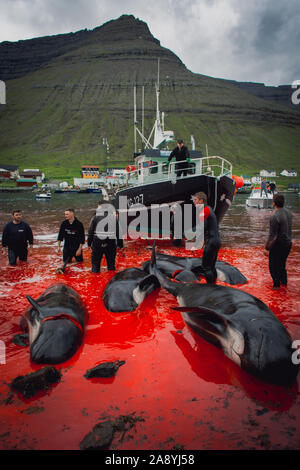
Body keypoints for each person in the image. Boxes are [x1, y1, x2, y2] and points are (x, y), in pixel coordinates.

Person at [264, 193, 292, 289]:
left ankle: (276, 285)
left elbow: (273, 236)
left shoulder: (274, 216)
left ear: (274, 203)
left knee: (273, 266)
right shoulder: (289, 213)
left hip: (278, 244)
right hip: (288, 243)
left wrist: (267, 248)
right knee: (282, 264)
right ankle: (284, 282)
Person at [192, 192, 221, 284]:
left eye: (195, 200)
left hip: (211, 242)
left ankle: (210, 288)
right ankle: (214, 285)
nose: (194, 202)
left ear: (201, 200)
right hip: (217, 241)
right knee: (212, 266)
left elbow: (201, 228)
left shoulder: (204, 211)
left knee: (206, 267)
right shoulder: (209, 209)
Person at [87, 200, 124, 273]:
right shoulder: (113, 218)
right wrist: (120, 244)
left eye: (98, 206)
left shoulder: (95, 217)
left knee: (95, 265)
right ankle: (112, 281)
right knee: (111, 265)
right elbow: (118, 232)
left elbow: (90, 231)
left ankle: (95, 281)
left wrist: (89, 243)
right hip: (111, 243)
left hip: (97, 243)